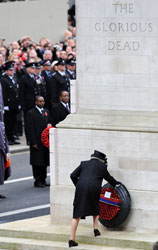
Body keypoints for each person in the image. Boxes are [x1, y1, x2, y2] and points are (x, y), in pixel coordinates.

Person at [69, 150, 121, 247]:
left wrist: (78, 185)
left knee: (76, 214)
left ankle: (72, 239)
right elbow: (109, 178)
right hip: (94, 188)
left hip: (81, 188)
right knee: (95, 206)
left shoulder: (83, 163)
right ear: (102, 160)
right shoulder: (102, 166)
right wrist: (117, 183)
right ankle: (96, 229)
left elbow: (72, 175)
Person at [26, 96, 52, 188]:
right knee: (37, 162)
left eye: (43, 101)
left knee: (44, 162)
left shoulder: (46, 111)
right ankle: (37, 180)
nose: (42, 103)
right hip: (36, 141)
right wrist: (33, 142)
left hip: (44, 142)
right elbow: (30, 129)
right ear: (36, 102)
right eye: (40, 101)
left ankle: (43, 179)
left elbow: (49, 122)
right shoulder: (31, 113)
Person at [1, 61, 20, 145]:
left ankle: (12, 137)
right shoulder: (3, 79)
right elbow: (3, 93)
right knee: (8, 122)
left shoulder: (14, 78)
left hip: (14, 104)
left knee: (13, 121)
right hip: (7, 105)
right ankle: (8, 138)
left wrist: (18, 103)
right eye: (11, 70)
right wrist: (4, 105)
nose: (13, 72)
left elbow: (17, 91)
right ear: (6, 71)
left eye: (13, 70)